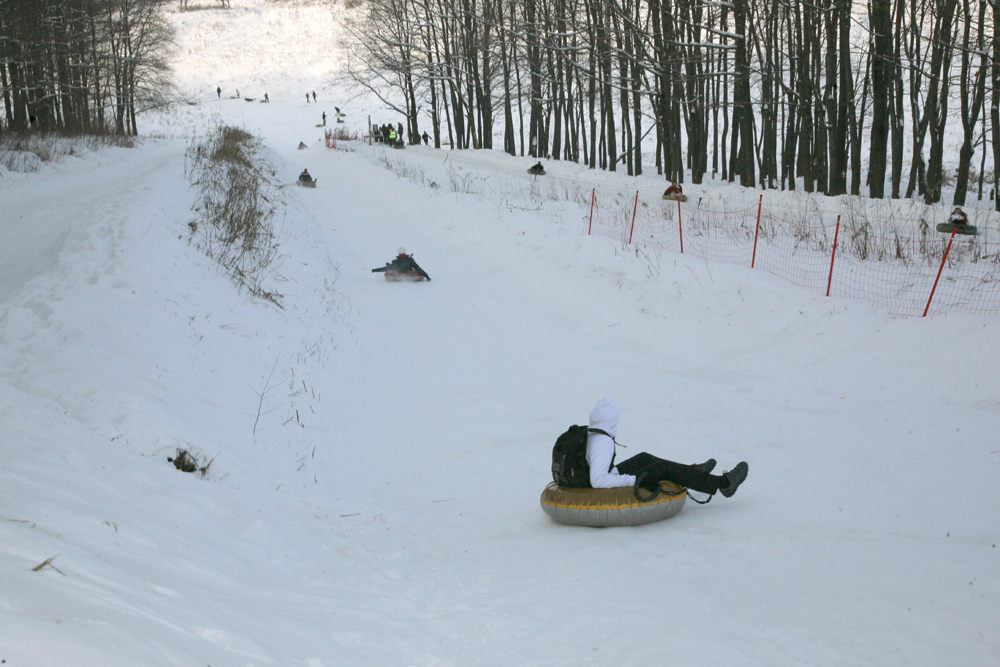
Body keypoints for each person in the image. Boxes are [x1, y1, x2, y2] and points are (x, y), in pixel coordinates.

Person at [586, 397, 748, 499]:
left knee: (644, 458)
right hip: (594, 484)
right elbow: (598, 480)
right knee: (663, 468)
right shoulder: (603, 442)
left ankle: (692, 472)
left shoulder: (593, 433)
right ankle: (723, 484)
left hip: (592, 476)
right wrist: (634, 479)